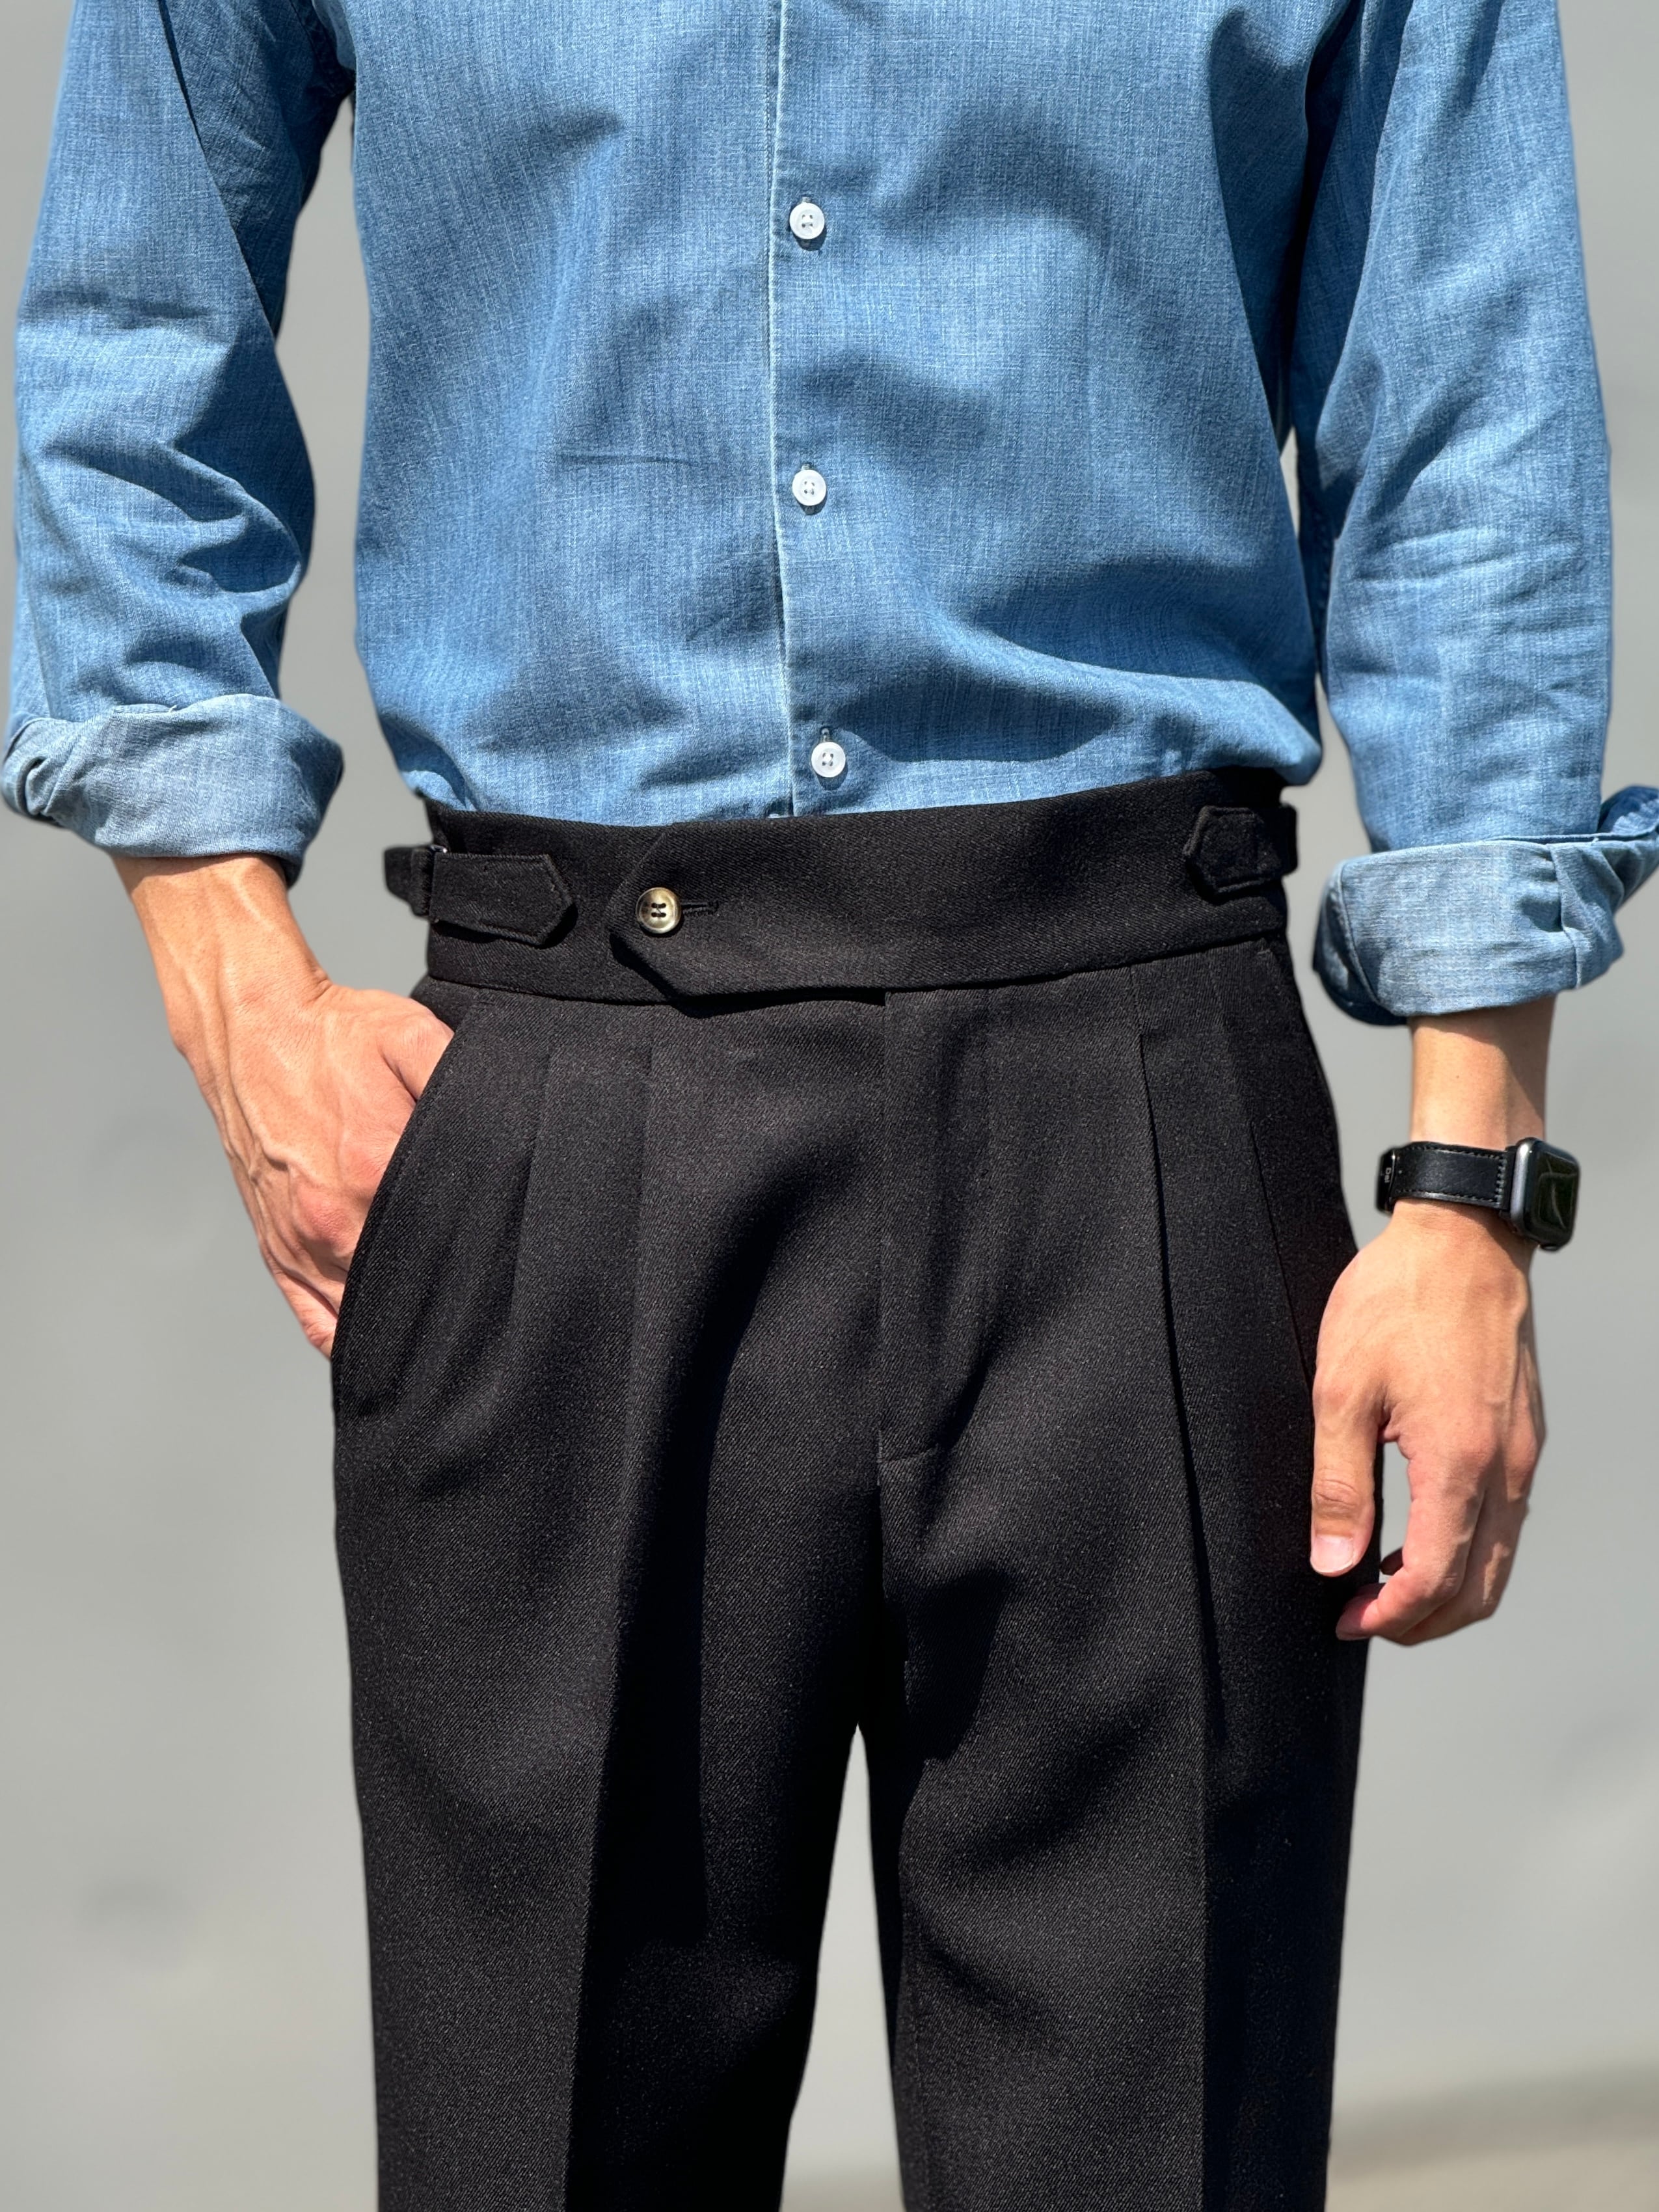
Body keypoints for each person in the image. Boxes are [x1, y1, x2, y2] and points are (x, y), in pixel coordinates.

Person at [8, 1, 1658, 2205]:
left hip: (1139, 1104)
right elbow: (135, 322)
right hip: (565, 1102)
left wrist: (1470, 1186)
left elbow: (1466, 408)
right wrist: (233, 988)